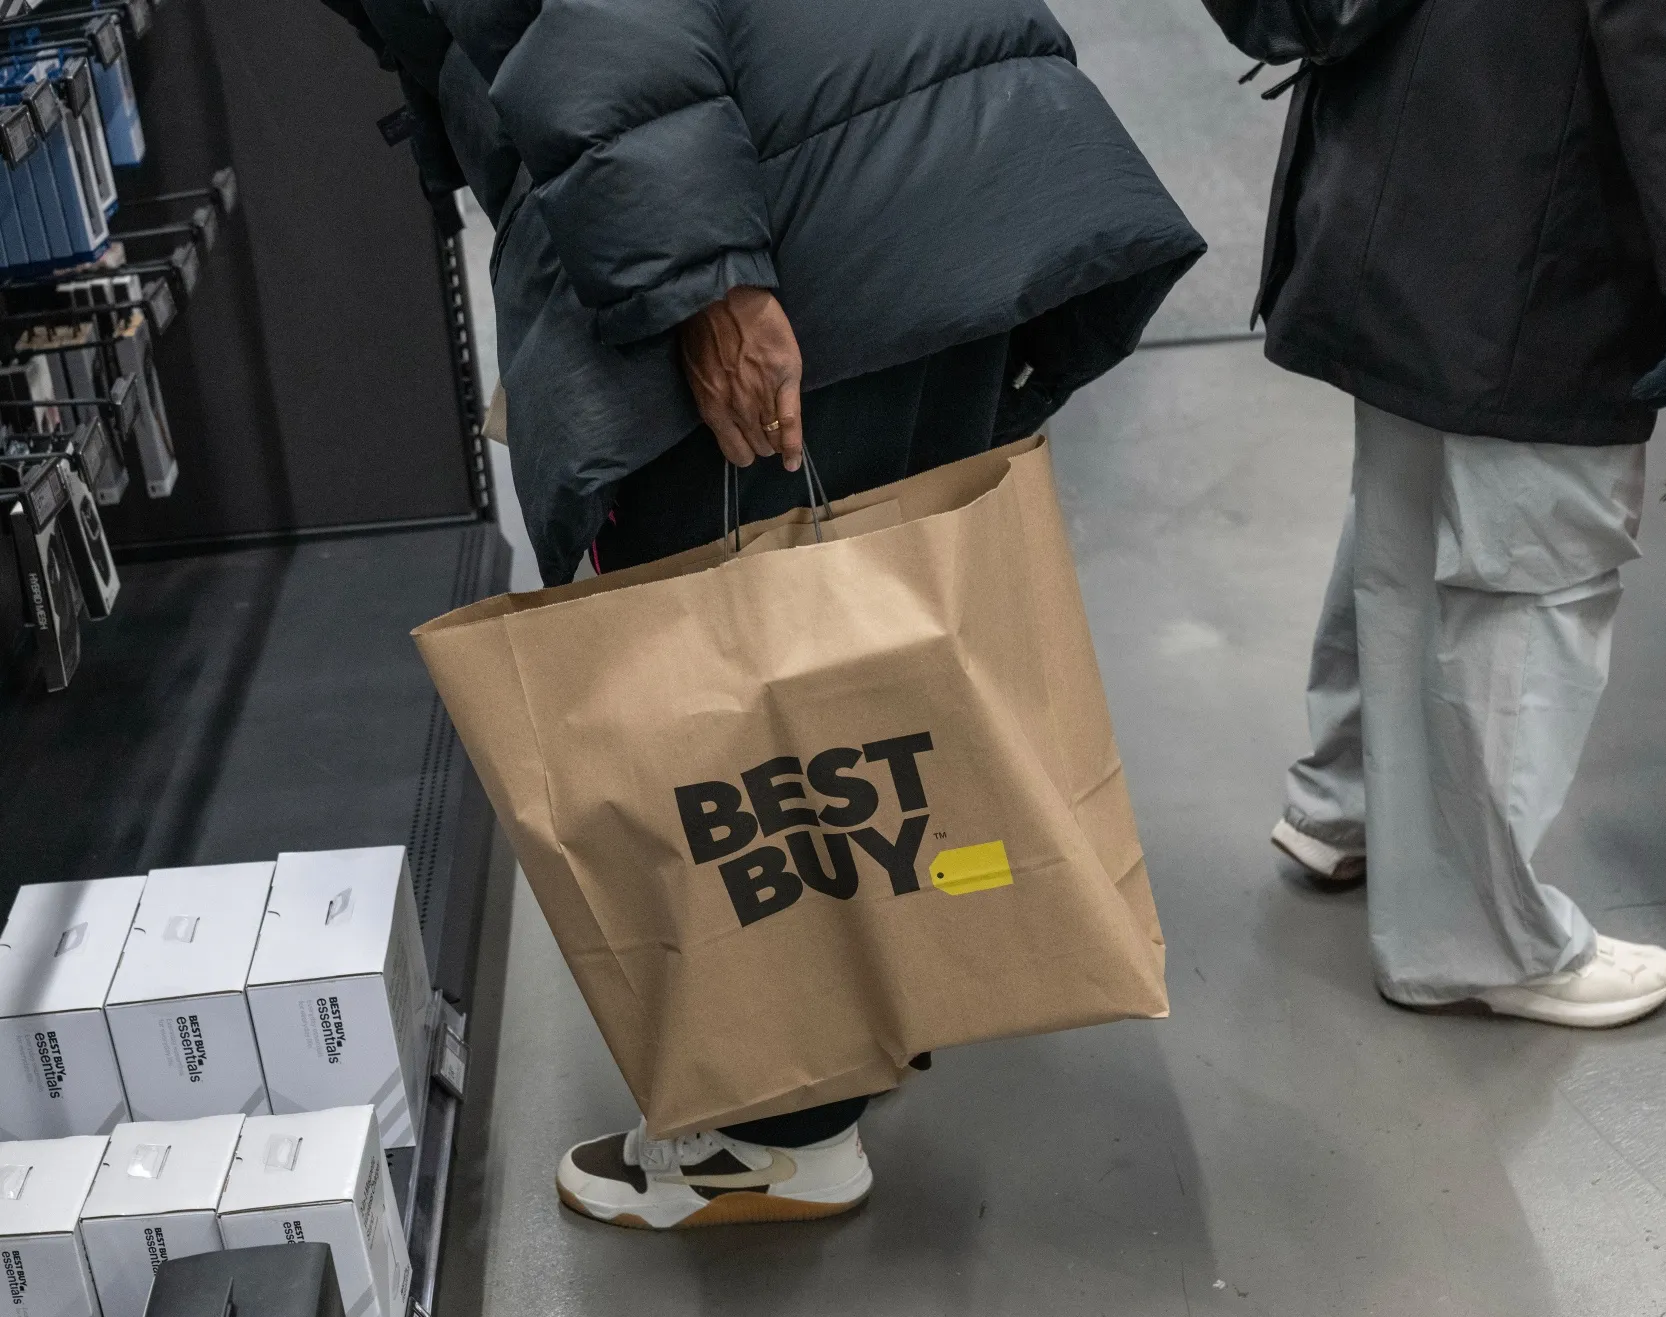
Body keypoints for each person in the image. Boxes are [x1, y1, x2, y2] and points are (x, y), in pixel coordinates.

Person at [323, 0, 1202, 1227]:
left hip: (773, 204)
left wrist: (705, 283)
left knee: (752, 662)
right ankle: (884, 998)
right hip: (900, 131)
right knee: (870, 633)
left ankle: (780, 1132)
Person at [1203, 0, 1666, 1026]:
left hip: (1408, 164)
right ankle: (1474, 940)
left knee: (1406, 513)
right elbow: (1661, 19)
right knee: (1529, 561)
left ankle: (1347, 802)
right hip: (1535, 209)